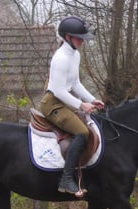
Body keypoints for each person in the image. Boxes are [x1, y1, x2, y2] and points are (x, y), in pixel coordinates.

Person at [38, 16, 104, 196]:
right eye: (78, 37)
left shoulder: (75, 54)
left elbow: (75, 83)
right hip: (52, 104)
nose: (82, 41)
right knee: (82, 132)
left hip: (64, 101)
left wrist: (91, 100)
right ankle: (66, 179)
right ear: (67, 37)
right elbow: (59, 91)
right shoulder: (61, 58)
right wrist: (82, 105)